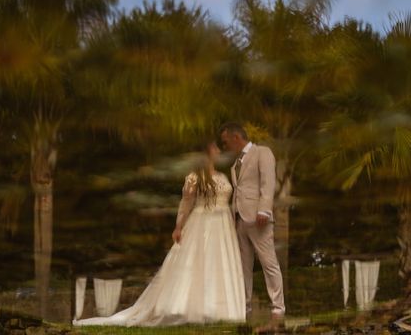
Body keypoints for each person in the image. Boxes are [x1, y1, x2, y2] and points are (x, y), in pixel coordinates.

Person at [73, 141, 245, 327]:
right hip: (202, 224)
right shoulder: (194, 177)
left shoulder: (221, 176)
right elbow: (185, 205)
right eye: (214, 147)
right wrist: (179, 227)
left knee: (218, 263)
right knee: (199, 263)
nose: (218, 150)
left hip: (222, 226)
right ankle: (194, 307)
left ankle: (220, 308)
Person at [219, 122, 285, 319]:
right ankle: (244, 306)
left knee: (269, 262)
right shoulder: (235, 163)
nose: (225, 147)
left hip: (258, 218)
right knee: (243, 266)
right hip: (240, 219)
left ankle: (278, 307)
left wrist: (264, 210)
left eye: (225, 142)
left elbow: (268, 182)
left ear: (235, 138)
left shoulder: (262, 152)